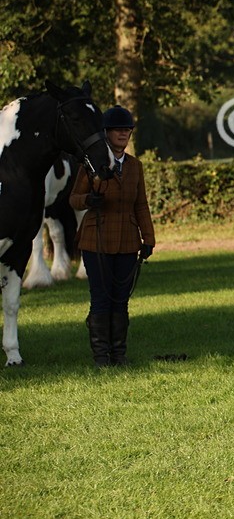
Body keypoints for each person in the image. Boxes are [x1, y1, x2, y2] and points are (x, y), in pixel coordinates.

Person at [69, 105, 155, 368]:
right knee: (101, 298)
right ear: (106, 133)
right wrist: (88, 199)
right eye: (117, 129)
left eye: (127, 129)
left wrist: (148, 238)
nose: (123, 134)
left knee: (121, 299)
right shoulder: (90, 164)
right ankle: (101, 357)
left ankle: (119, 355)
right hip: (96, 239)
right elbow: (73, 199)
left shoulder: (135, 166)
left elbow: (141, 204)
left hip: (128, 240)